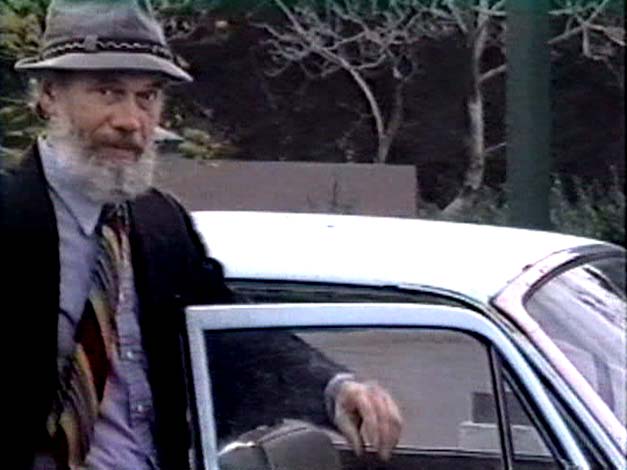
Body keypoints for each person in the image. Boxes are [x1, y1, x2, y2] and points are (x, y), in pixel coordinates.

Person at [1, 1, 402, 469]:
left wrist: (335, 390)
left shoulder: (160, 221)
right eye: (109, 92)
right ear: (49, 95)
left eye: (147, 97)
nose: (131, 121)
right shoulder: (9, 215)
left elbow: (231, 338)